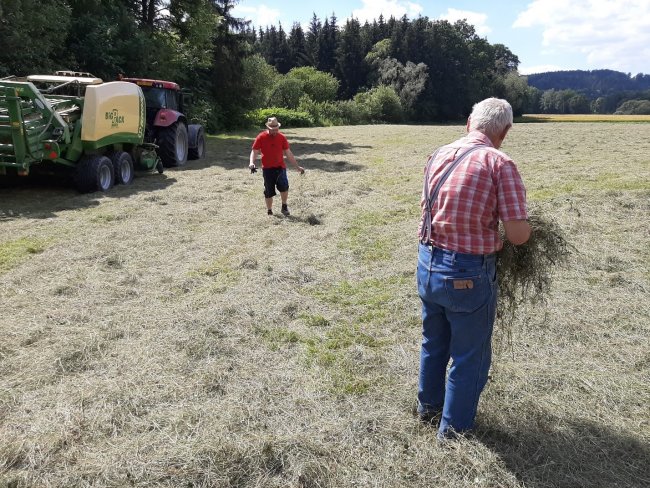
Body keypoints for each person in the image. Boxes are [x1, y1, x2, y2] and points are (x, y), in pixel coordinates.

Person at [416, 97, 531, 441]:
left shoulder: (439, 153)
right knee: (470, 356)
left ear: (469, 122)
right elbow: (517, 235)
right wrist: (529, 227)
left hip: (427, 261)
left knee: (434, 342)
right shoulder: (499, 163)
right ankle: (453, 433)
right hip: (467, 272)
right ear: (505, 131)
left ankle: (429, 409)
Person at [249, 117, 304, 216]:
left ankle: (284, 206)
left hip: (280, 167)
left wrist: (297, 167)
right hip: (267, 169)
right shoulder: (261, 137)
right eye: (273, 129)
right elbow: (254, 151)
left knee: (284, 187)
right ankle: (269, 210)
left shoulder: (282, 137)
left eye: (276, 129)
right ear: (268, 128)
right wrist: (251, 163)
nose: (275, 131)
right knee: (268, 191)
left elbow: (288, 153)